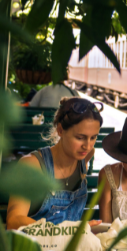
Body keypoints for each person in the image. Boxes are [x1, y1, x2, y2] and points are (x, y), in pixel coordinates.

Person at [7, 97, 103, 230]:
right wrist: (64, 232)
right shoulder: (32, 165)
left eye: (93, 137)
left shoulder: (85, 155)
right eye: (80, 138)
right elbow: (13, 220)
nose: (87, 146)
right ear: (60, 130)